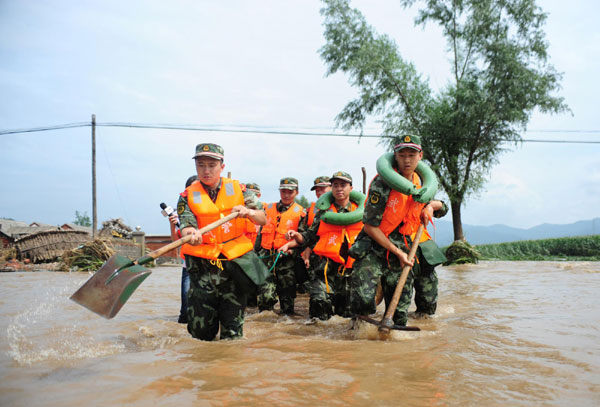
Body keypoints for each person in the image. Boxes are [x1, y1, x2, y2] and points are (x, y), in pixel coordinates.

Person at [350, 135, 448, 327]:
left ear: (420, 156)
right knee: (362, 299)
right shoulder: (382, 183)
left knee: (399, 315)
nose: (407, 160)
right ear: (395, 156)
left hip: (405, 246)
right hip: (376, 245)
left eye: (411, 155)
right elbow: (370, 226)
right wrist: (397, 252)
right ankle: (359, 331)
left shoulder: (423, 182)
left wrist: (430, 207)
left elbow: (442, 207)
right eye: (402, 155)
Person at [177, 143, 267, 341]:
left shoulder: (240, 190)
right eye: (201, 165)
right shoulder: (186, 196)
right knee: (201, 336)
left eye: (211, 165)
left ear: (222, 166)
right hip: (203, 270)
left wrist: (249, 212)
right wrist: (191, 233)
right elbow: (186, 224)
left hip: (233, 268)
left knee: (232, 337)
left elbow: (262, 218)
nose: (206, 170)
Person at [281, 171, 362, 320]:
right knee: (319, 304)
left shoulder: (361, 211)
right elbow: (309, 236)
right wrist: (296, 236)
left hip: (350, 266)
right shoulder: (323, 212)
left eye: (343, 185)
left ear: (351, 188)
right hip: (325, 266)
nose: (339, 189)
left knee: (345, 314)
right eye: (335, 185)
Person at [255, 177, 305, 315]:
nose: (286, 195)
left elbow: (303, 240)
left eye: (290, 192)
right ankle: (265, 326)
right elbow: (259, 234)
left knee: (287, 301)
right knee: (265, 297)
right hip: (266, 259)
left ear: (296, 192)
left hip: (287, 261)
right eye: (283, 191)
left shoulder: (301, 213)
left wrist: (291, 251)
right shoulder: (267, 209)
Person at [167, 175, 197, 324]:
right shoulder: (182, 215)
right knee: (186, 306)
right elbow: (176, 242)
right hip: (189, 265)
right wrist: (173, 225)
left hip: (210, 263)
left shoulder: (210, 212)